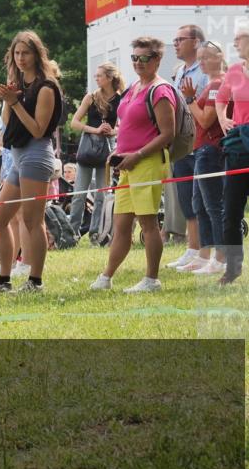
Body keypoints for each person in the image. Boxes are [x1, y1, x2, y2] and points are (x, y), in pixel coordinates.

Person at [90, 37, 176, 293]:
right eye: (134, 58)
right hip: (128, 163)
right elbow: (128, 126)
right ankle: (106, 277)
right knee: (121, 224)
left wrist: (137, 155)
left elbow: (167, 134)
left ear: (157, 60)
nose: (138, 63)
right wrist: (118, 152)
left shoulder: (160, 91)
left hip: (147, 162)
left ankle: (152, 279)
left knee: (148, 224)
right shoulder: (134, 87)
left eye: (144, 58)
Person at [0, 32, 64, 293]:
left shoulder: (46, 87)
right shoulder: (19, 83)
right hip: (19, 156)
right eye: (17, 53)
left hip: (36, 155)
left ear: (37, 54)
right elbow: (8, 124)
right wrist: (8, 102)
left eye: (26, 53)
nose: (21, 58)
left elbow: (37, 129)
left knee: (33, 221)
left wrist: (15, 102)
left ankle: (35, 280)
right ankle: (5, 279)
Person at [215, 18, 249, 285]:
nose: (235, 43)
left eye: (240, 38)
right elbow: (221, 99)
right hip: (237, 147)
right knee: (231, 212)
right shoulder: (234, 71)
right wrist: (223, 118)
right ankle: (232, 270)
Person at [176, 41, 227, 275]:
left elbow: (206, 120)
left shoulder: (218, 83)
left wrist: (189, 99)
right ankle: (204, 255)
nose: (202, 62)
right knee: (199, 204)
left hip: (209, 150)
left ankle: (220, 258)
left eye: (206, 57)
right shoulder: (214, 83)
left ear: (219, 57)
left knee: (212, 206)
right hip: (201, 151)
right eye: (200, 58)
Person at [164, 25, 208, 268]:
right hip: (182, 142)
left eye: (180, 39)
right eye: (175, 39)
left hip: (201, 140)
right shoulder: (179, 71)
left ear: (196, 42)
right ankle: (192, 248)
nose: (176, 43)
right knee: (186, 196)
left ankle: (205, 250)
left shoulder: (205, 70)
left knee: (202, 197)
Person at [68, 62, 124, 240]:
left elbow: (125, 126)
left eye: (99, 75)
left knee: (102, 194)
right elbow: (74, 123)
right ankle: (73, 232)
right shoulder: (90, 97)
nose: (96, 78)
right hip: (88, 148)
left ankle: (96, 233)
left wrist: (112, 131)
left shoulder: (120, 99)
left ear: (109, 78)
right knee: (79, 193)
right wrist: (96, 130)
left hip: (107, 150)